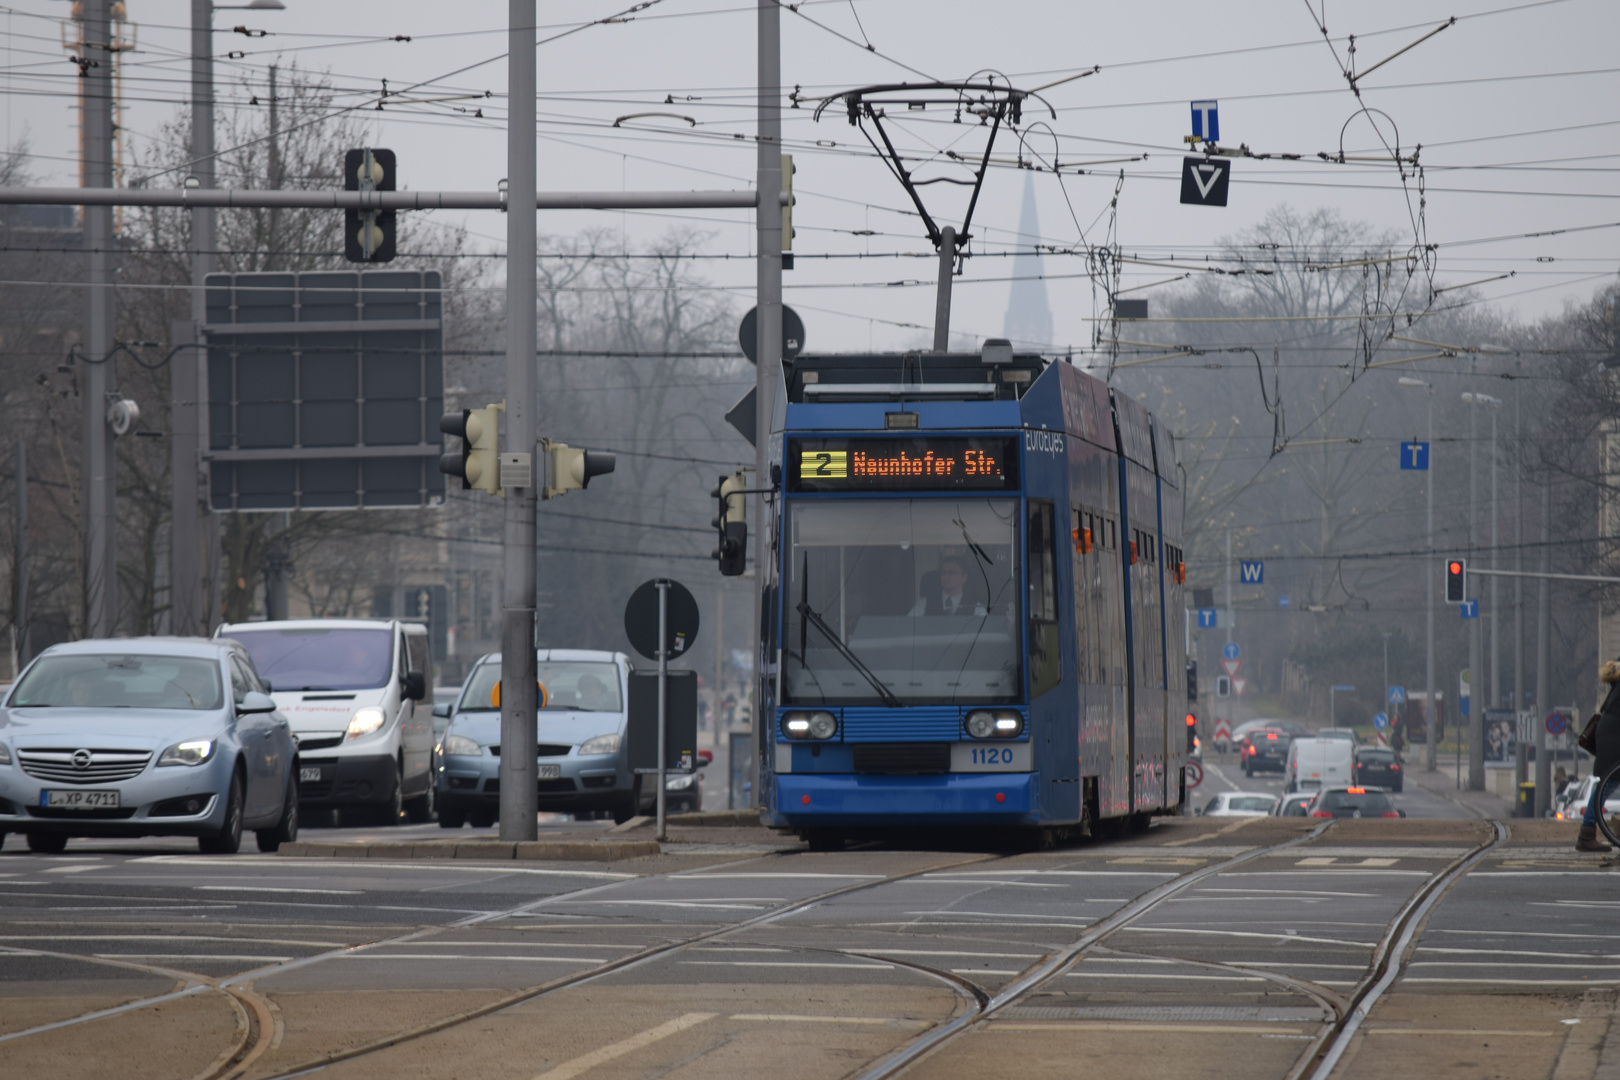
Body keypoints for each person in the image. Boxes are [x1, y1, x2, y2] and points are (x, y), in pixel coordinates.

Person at [1576, 658, 1620, 852]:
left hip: (1611, 733)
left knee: (1608, 782)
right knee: (1608, 782)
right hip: (1614, 736)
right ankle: (1586, 833)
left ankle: (1587, 832)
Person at [909, 556, 985, 617]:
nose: (946, 576)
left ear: (964, 577)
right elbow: (908, 628)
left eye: (952, 572)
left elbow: (985, 634)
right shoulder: (924, 604)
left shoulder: (976, 608)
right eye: (943, 572)